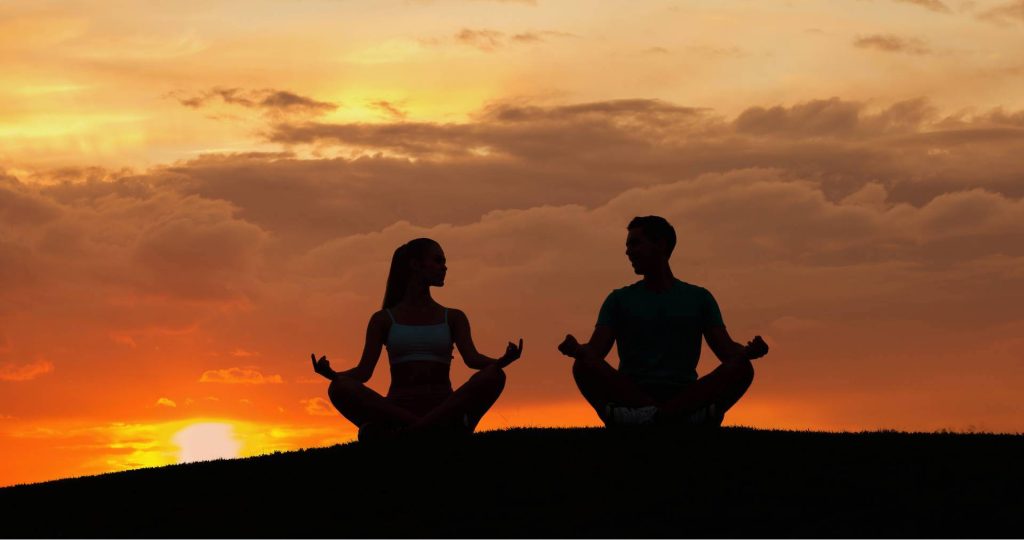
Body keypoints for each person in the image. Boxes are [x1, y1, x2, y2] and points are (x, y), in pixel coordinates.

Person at [558, 216, 768, 428]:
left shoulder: (699, 298)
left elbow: (728, 352)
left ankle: (648, 417)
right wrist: (577, 350)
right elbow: (595, 352)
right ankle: (677, 417)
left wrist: (748, 353)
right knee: (582, 365)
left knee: (743, 368)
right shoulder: (618, 299)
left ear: (661, 244)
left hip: (685, 392)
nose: (628, 252)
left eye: (635, 243)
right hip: (631, 392)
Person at [311, 237, 523, 440]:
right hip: (398, 407)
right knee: (339, 386)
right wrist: (331, 374)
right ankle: (432, 430)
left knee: (495, 375)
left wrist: (502, 361)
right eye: (437, 260)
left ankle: (409, 432)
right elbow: (363, 372)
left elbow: (472, 359)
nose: (444, 267)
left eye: (444, 262)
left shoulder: (454, 317)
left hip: (444, 405)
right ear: (415, 265)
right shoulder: (383, 319)